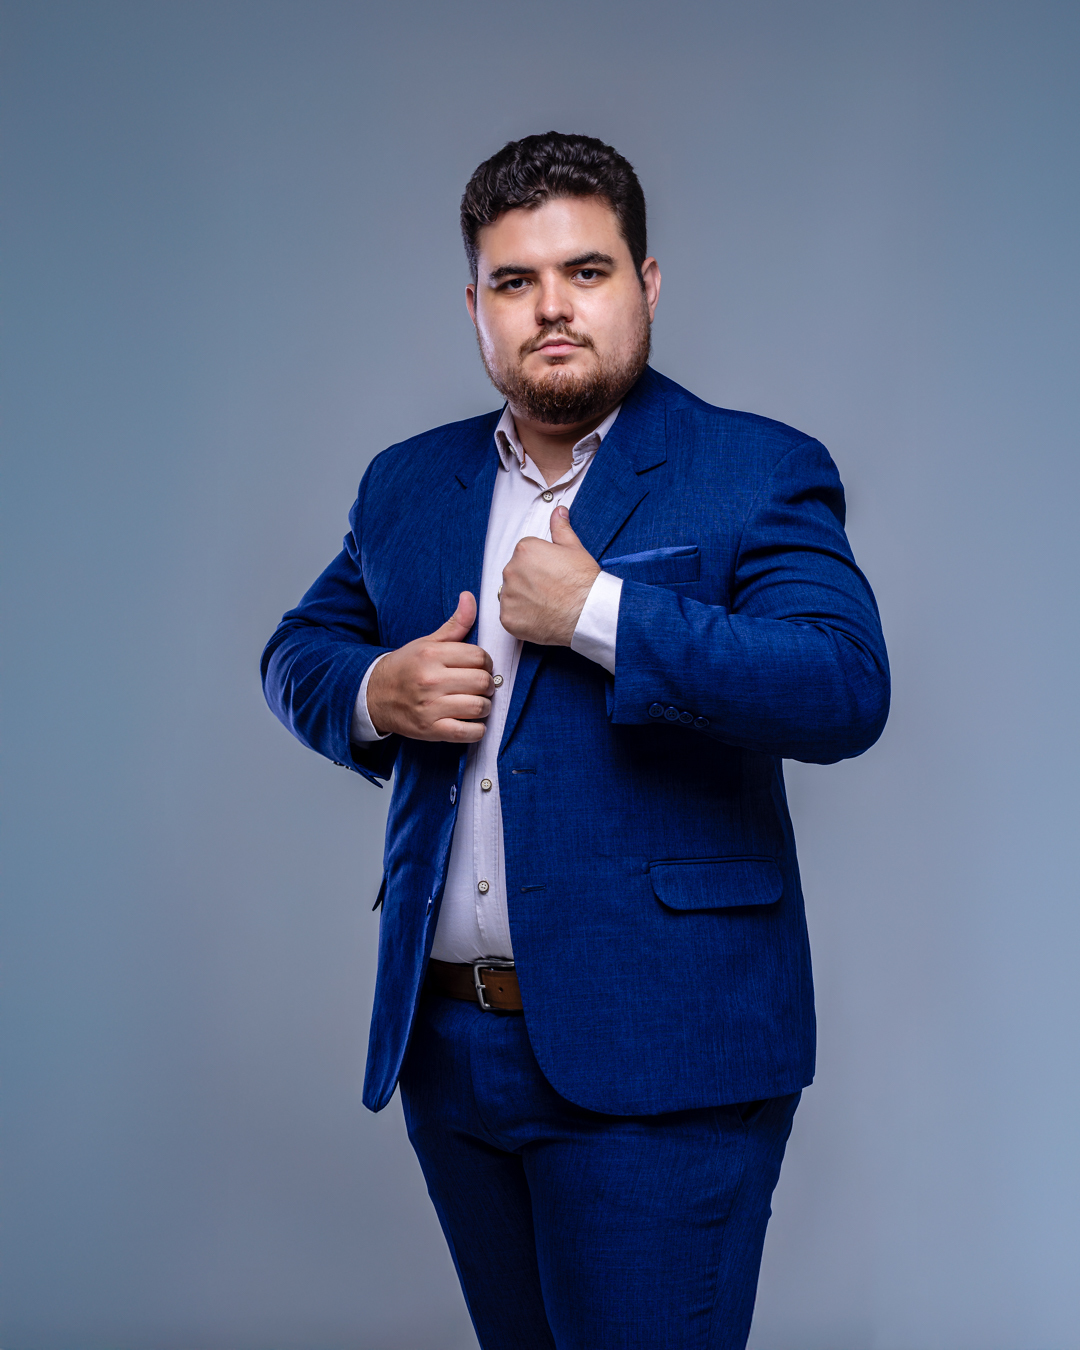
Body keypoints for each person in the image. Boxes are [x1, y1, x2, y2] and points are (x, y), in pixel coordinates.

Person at [261, 131, 889, 1350]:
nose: (552, 307)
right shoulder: (408, 484)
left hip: (665, 1056)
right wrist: (378, 689)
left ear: (645, 285)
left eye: (585, 272)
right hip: (449, 1048)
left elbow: (842, 685)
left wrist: (600, 613)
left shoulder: (755, 469)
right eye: (515, 281)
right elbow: (301, 650)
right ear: (476, 308)